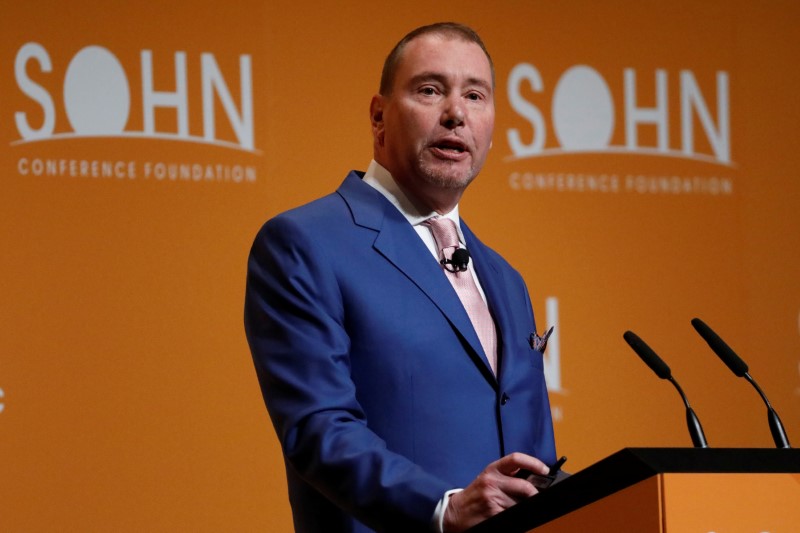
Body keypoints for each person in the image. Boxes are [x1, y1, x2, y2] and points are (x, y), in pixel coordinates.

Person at [244, 22, 556, 533]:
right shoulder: (305, 244)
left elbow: (533, 460)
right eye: (430, 90)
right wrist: (444, 507)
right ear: (378, 117)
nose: (456, 113)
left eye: (475, 95)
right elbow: (319, 428)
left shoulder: (505, 279)